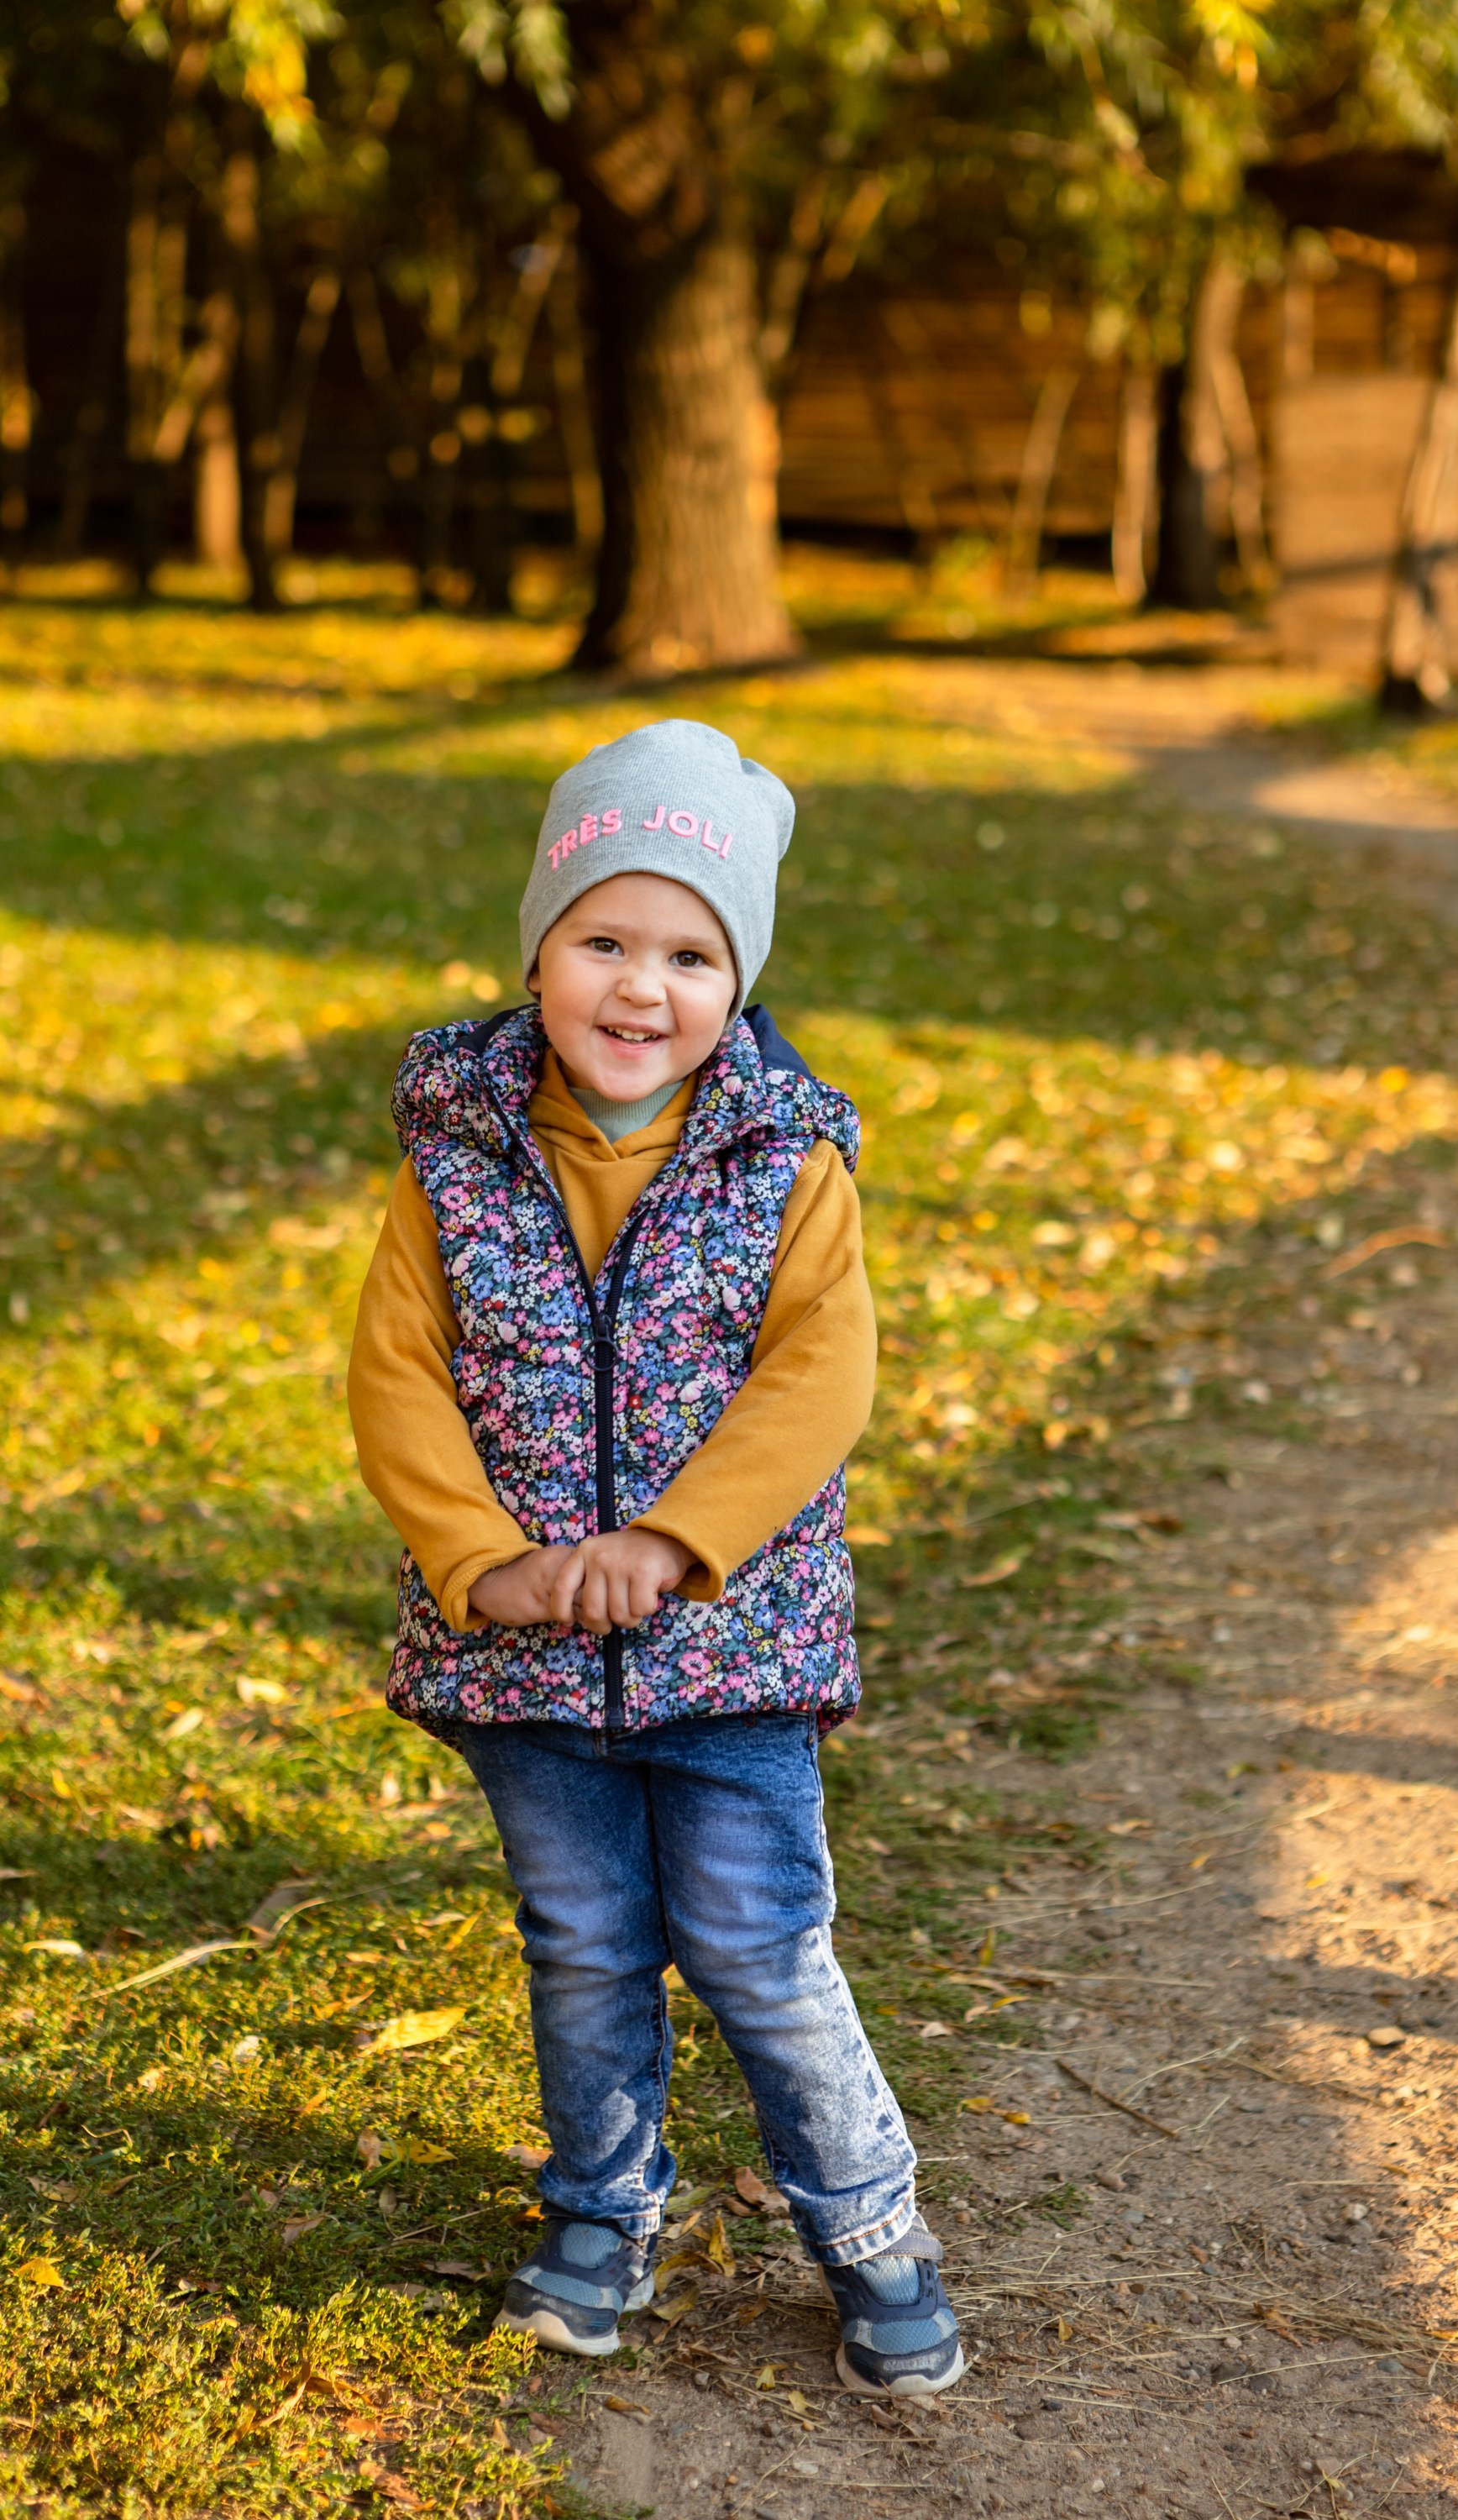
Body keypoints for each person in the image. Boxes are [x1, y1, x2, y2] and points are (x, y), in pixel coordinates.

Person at [347, 718, 963, 2400]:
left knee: (762, 1949)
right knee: (585, 1946)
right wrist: (485, 1562)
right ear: (538, 947)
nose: (641, 987)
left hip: (734, 1650)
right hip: (524, 1656)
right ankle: (598, 2219)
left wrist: (674, 1542)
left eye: (689, 952)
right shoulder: (458, 1158)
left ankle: (869, 2232)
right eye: (603, 940)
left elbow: (818, 1375)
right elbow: (395, 1370)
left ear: (736, 976)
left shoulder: (785, 1159)